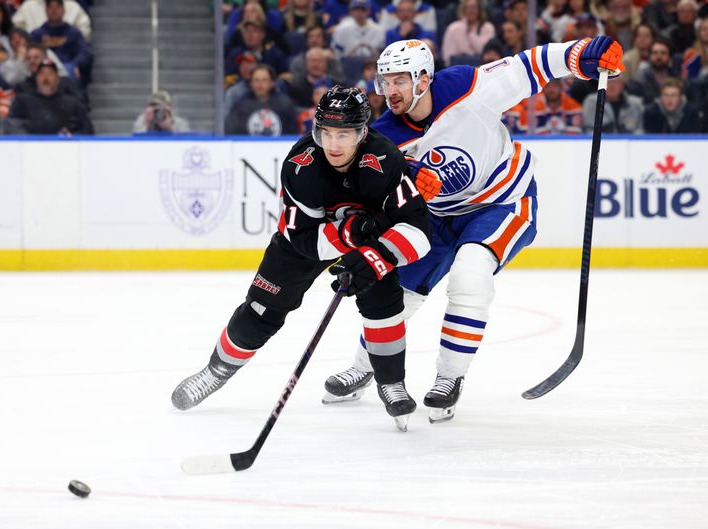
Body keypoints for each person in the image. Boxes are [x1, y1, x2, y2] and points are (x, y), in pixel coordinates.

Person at [320, 37, 624, 423]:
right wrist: (410, 180)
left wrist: (580, 53)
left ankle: (449, 378)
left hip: (501, 202)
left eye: (399, 80)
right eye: (385, 82)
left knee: (471, 274)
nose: (390, 91)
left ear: (423, 79)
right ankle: (367, 365)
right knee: (397, 293)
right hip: (435, 217)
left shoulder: (466, 87)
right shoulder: (385, 135)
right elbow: (372, 186)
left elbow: (527, 66)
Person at [171, 86, 432, 431]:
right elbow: (302, 239)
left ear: (362, 132)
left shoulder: (385, 161)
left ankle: (391, 382)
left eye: (344, 134)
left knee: (385, 300)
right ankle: (216, 370)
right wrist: (348, 235)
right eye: (326, 133)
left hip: (369, 240)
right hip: (309, 240)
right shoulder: (302, 165)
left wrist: (376, 257)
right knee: (261, 309)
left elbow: (419, 229)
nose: (333, 145)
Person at [5, 58, 93, 134]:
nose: (46, 77)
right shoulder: (22, 101)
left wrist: (72, 137)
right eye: (42, 74)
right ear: (36, 79)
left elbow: (87, 130)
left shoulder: (72, 104)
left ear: (58, 79)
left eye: (50, 73)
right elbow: (11, 126)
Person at [225, 64, 298, 135]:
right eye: (256, 80)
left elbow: (293, 131)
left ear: (272, 82)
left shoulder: (284, 104)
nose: (260, 84)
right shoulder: (241, 106)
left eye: (264, 80)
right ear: (251, 83)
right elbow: (232, 130)